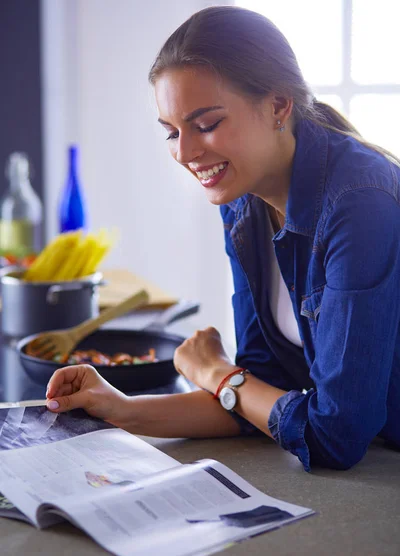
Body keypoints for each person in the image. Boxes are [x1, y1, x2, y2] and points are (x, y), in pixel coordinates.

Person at [46, 6, 400, 471]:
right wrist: (122, 408)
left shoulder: (360, 201)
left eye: (207, 124)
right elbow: (257, 388)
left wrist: (214, 371)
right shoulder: (241, 198)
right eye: (172, 132)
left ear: (277, 105)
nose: (186, 153)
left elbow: (335, 436)